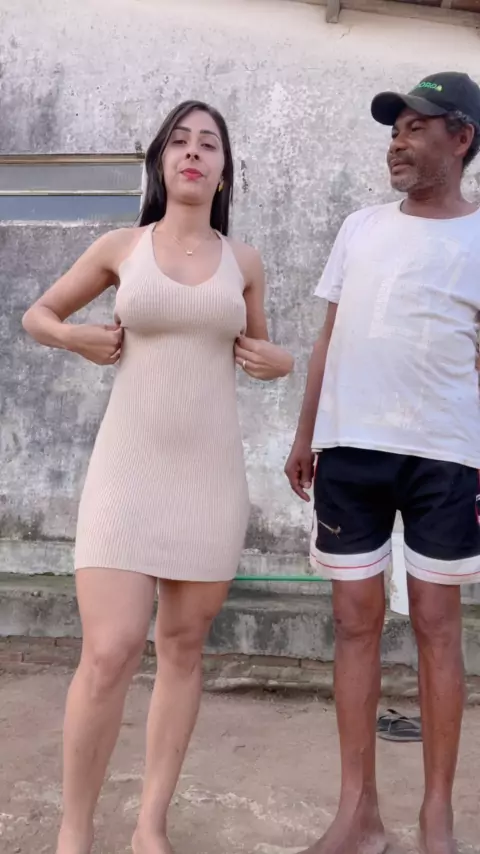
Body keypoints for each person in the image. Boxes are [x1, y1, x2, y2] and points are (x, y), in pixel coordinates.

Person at [23, 99, 293, 854]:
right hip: (126, 471)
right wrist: (75, 337)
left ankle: (150, 827)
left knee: (181, 649)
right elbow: (38, 314)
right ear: (161, 161)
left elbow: (259, 352)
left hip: (209, 477)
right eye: (180, 141)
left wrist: (280, 362)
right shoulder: (121, 247)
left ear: (224, 170)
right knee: (108, 651)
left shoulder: (244, 262)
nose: (193, 152)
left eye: (209, 143)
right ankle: (74, 833)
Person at [285, 72, 480, 854]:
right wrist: (306, 434)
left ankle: (437, 817)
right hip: (350, 448)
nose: (396, 143)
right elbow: (329, 338)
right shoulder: (360, 227)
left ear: (461, 138)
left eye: (415, 128)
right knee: (352, 622)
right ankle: (358, 814)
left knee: (437, 625)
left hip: (446, 455)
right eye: (393, 131)